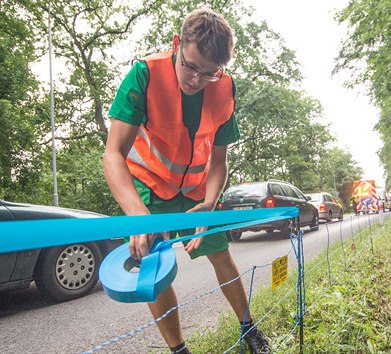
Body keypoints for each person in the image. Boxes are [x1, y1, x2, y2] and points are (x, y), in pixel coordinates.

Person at [103, 8, 270, 354]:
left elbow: (219, 161)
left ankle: (249, 328)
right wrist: (137, 215)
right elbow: (113, 154)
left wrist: (210, 201)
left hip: (197, 192)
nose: (196, 80)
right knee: (156, 267)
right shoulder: (144, 75)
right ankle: (179, 349)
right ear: (177, 43)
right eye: (190, 66)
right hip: (149, 190)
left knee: (221, 255)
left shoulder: (225, 89)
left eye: (209, 73)